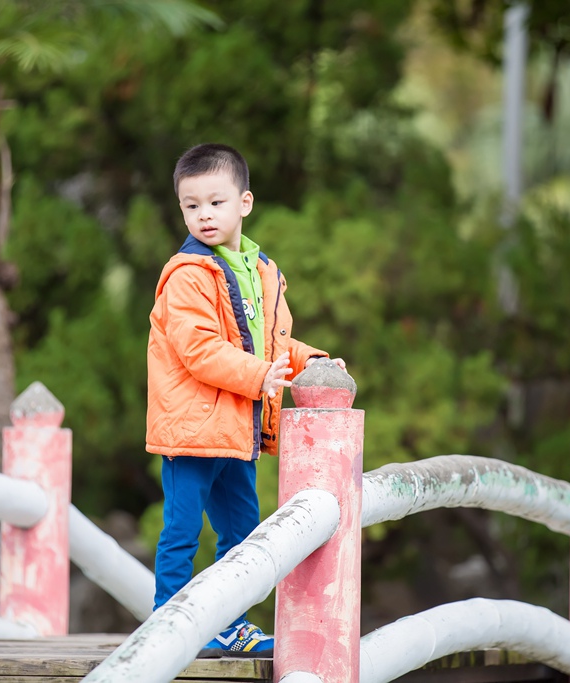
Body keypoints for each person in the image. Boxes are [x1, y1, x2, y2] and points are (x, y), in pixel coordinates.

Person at [146, 143, 344, 656]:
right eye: (191, 205)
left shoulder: (260, 271)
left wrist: (315, 361)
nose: (204, 215)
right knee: (182, 529)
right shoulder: (188, 275)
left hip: (236, 428)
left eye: (216, 202)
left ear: (245, 203)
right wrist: (262, 376)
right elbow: (199, 350)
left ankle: (230, 622)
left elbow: (274, 344)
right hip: (192, 431)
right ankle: (167, 620)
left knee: (242, 533)